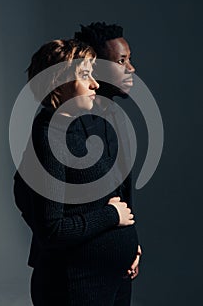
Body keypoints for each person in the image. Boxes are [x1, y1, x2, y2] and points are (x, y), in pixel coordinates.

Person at [13, 38, 139, 305]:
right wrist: (110, 216)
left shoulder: (83, 129)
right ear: (57, 83)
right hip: (77, 284)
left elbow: (113, 198)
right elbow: (52, 230)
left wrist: (130, 247)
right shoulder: (49, 138)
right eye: (85, 75)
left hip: (114, 277)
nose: (95, 84)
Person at [74, 21, 142, 279]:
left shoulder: (117, 119)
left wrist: (131, 244)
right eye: (121, 61)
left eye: (129, 59)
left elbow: (122, 196)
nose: (131, 69)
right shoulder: (68, 123)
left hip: (118, 268)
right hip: (81, 271)